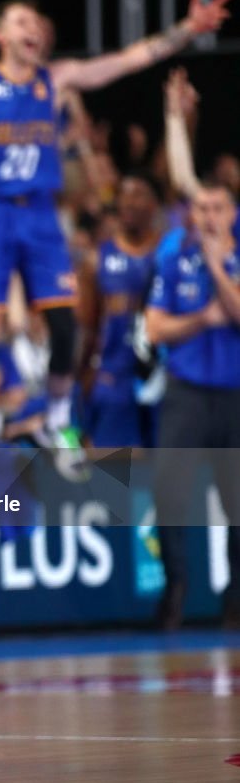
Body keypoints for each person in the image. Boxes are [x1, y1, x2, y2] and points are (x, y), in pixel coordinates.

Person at [0, 0, 231, 478]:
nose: (33, 28)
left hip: (40, 214)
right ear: (2, 34)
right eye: (22, 20)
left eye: (37, 22)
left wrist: (188, 30)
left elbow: (126, 61)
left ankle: (60, 416)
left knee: (66, 327)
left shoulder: (57, 80)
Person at [145, 179, 240, 630]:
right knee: (168, 492)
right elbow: (155, 329)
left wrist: (220, 270)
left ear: (231, 213)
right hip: (185, 391)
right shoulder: (175, 259)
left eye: (217, 207)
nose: (208, 217)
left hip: (234, 393)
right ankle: (175, 588)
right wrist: (203, 318)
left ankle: (235, 597)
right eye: (200, 208)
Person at [78, 172, 163, 448]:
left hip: (162, 375)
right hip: (114, 377)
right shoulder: (96, 260)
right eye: (124, 195)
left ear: (154, 205)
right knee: (112, 475)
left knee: (168, 470)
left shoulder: (169, 254)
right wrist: (83, 377)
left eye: (138, 194)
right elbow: (88, 328)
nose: (129, 202)